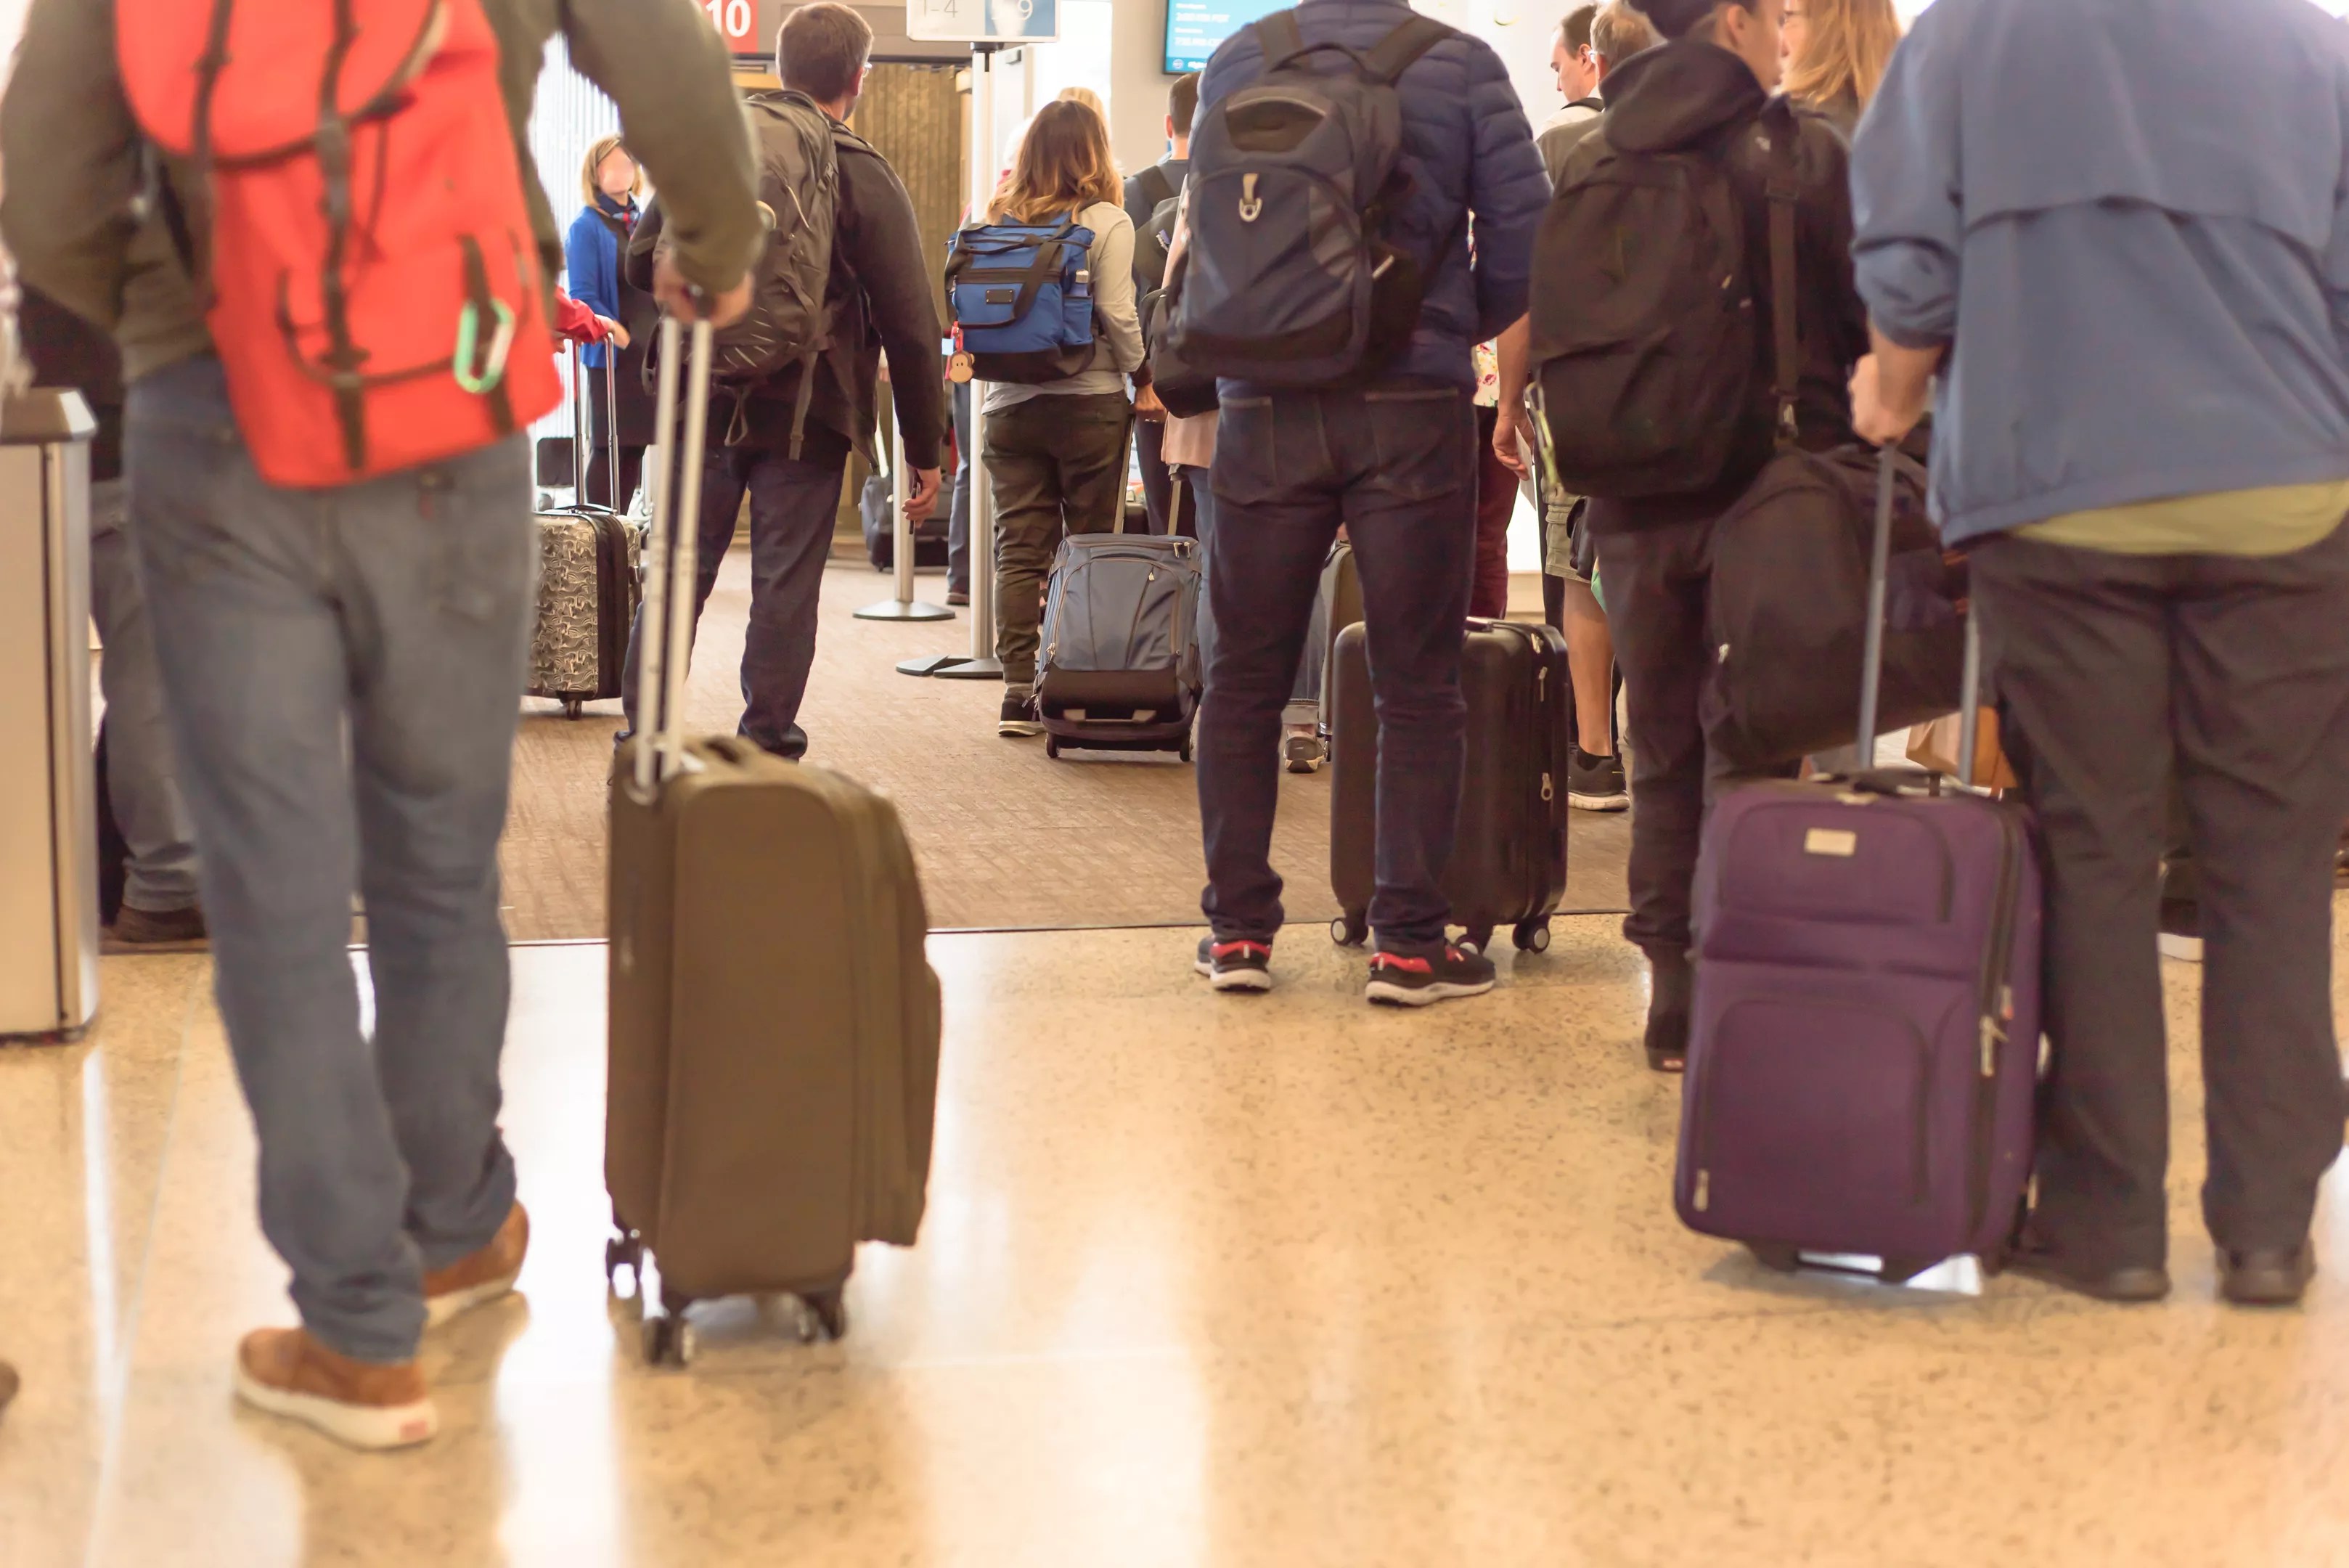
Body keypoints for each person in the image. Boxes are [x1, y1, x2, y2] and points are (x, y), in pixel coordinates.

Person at [1, 0, 762, 1450]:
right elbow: (667, 58)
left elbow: (43, 186)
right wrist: (714, 246)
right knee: (436, 851)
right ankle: (455, 1225)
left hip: (216, 417)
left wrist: (180, 319)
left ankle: (357, 1333)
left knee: (274, 892)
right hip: (455, 380)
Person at [1849, 0, 2349, 1307]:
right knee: (2274, 853)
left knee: (2094, 849)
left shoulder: (1968, 39)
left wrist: (1891, 392)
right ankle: (2268, 1227)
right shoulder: (2311, 46)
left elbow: (1909, 264)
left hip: (2054, 490)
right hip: (2286, 496)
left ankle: (2110, 1221)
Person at [1188, 0, 1549, 1007]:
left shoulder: (1238, 57)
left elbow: (1216, 219)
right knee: (1416, 684)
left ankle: (1238, 933)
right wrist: (1426, 322)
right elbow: (1526, 242)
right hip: (1410, 404)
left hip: (1263, 400)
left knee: (1245, 678)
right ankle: (1405, 944)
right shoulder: (1465, 66)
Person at [1537, 0, 1866, 1069]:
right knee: (1755, 740)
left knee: (1662, 744)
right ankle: (1742, 974)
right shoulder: (1800, 153)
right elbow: (1862, 323)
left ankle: (1669, 988)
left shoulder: (1590, 156)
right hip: (1767, 494)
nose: (1786, 29)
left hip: (1628, 500)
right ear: (1732, 21)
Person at [621, 3, 946, 762]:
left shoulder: (713, 146)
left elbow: (640, 262)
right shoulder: (859, 168)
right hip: (809, 408)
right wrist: (923, 449)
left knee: (679, 572)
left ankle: (643, 737)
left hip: (699, 395)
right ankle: (764, 745)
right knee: (784, 585)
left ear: (779, 63)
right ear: (857, 80)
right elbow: (910, 320)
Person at [19, 285, 206, 949]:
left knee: (31, 692)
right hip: (126, 445)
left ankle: (47, 892)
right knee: (155, 684)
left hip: (42, 439)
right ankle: (168, 887)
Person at [984, 100, 1148, 739]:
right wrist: (1146, 374)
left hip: (1009, 406)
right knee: (1087, 548)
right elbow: (1118, 314)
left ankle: (1016, 692)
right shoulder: (1107, 221)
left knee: (1019, 550)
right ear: (1095, 153)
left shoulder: (997, 216)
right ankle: (1077, 676)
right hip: (1090, 403)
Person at [563, 135, 657, 513]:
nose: (622, 171)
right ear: (596, 174)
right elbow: (582, 295)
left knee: (635, 449)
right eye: (612, 165)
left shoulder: (644, 221)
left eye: (627, 164)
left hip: (651, 355)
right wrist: (620, 337)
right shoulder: (586, 227)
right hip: (615, 357)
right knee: (610, 449)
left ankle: (620, 546)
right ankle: (596, 546)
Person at [1129, 73, 1202, 539]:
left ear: (1167, 123)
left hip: (1155, 374)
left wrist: (1140, 376)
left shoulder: (1135, 190)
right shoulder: (1236, 190)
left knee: (1164, 520)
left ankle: (1166, 611)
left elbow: (1123, 292)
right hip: (1215, 376)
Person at [1778, 0, 1897, 138]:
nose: (1780, 40)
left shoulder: (1799, 129)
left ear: (1828, 29)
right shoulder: (1909, 122)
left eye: (1787, 17)